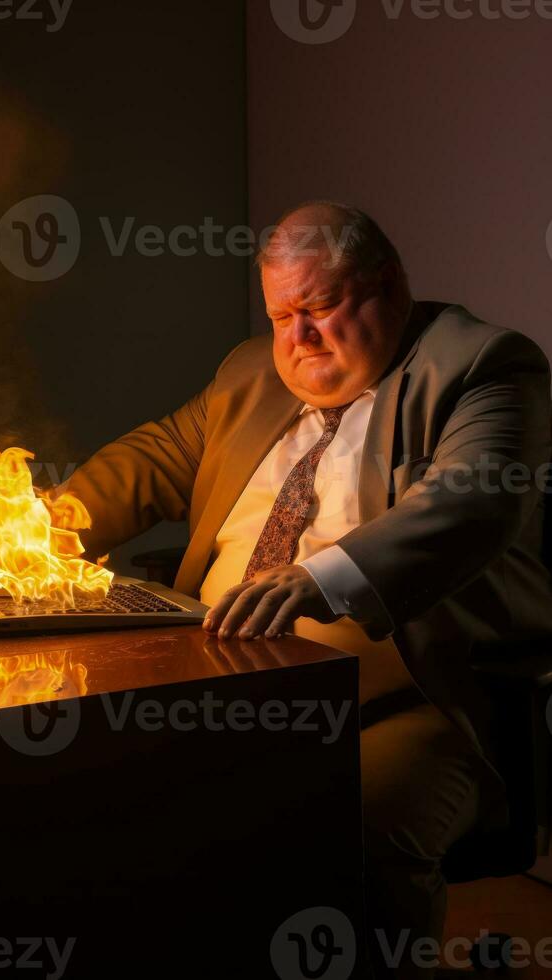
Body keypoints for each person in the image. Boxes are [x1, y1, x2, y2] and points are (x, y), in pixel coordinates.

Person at [63, 201, 552, 978]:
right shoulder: (252, 370)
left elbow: (472, 500)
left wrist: (318, 580)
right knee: (98, 796)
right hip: (217, 682)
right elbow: (153, 459)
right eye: (283, 313)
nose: (298, 338)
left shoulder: (481, 365)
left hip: (410, 701)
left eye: (320, 308)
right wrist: (41, 525)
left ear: (388, 287)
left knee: (353, 827)